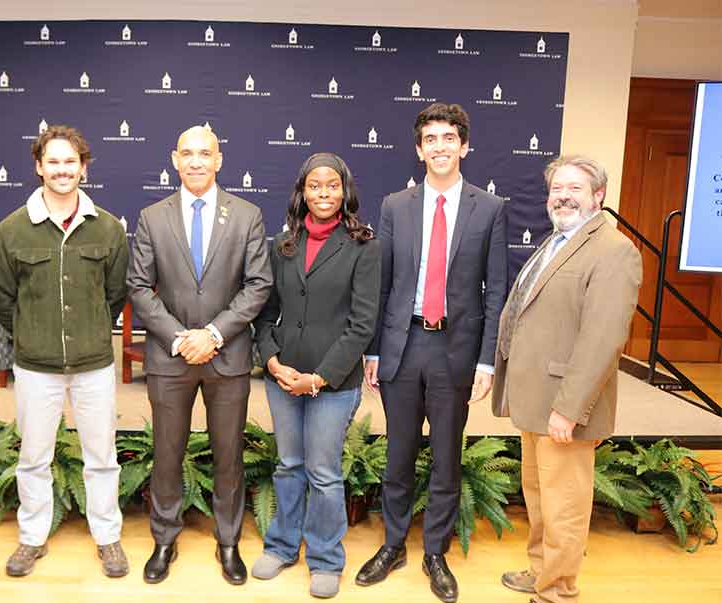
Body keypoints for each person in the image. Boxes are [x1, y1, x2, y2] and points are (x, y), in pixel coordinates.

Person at [357, 103, 507, 603]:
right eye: (430, 139)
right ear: (419, 149)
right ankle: (393, 545)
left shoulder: (490, 208)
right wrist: (374, 351)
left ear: (464, 146)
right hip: (403, 345)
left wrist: (486, 359)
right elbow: (381, 285)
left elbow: (496, 291)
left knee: (446, 457)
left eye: (449, 138)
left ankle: (435, 552)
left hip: (455, 350)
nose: (440, 147)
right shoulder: (395, 205)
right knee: (398, 455)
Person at [127, 125, 272, 585]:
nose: (195, 161)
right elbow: (138, 287)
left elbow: (259, 285)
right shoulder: (152, 217)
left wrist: (212, 334)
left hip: (226, 357)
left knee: (228, 456)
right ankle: (164, 540)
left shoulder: (247, 215)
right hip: (170, 358)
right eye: (187, 153)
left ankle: (228, 542)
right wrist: (179, 337)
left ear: (219, 160)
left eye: (204, 154)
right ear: (174, 159)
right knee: (167, 454)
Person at [493, 155, 641, 603]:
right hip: (535, 399)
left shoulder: (614, 251)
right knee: (541, 498)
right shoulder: (557, 240)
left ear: (599, 196)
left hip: (564, 406)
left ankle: (558, 590)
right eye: (557, 188)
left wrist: (569, 409)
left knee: (565, 506)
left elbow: (603, 339)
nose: (563, 196)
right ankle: (542, 571)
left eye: (575, 188)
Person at [0, 125, 130, 579]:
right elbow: (1, 298)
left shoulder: (108, 228)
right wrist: (33, 334)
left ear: (83, 168)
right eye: (53, 162)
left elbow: (115, 294)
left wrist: (90, 330)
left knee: (102, 457)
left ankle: (107, 537)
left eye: (71, 162)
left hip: (93, 365)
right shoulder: (11, 230)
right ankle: (32, 537)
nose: (62, 170)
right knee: (33, 458)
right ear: (38, 167)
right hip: (36, 367)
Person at [250, 153, 380, 599]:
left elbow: (362, 325)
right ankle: (282, 547)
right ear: (302, 192)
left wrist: (319, 378)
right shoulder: (282, 245)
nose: (323, 193)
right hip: (283, 378)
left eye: (332, 185)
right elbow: (265, 314)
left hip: (333, 382)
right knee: (288, 465)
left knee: (323, 472)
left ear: (345, 190)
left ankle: (325, 559)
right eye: (314, 185)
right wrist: (271, 361)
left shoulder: (364, 245)